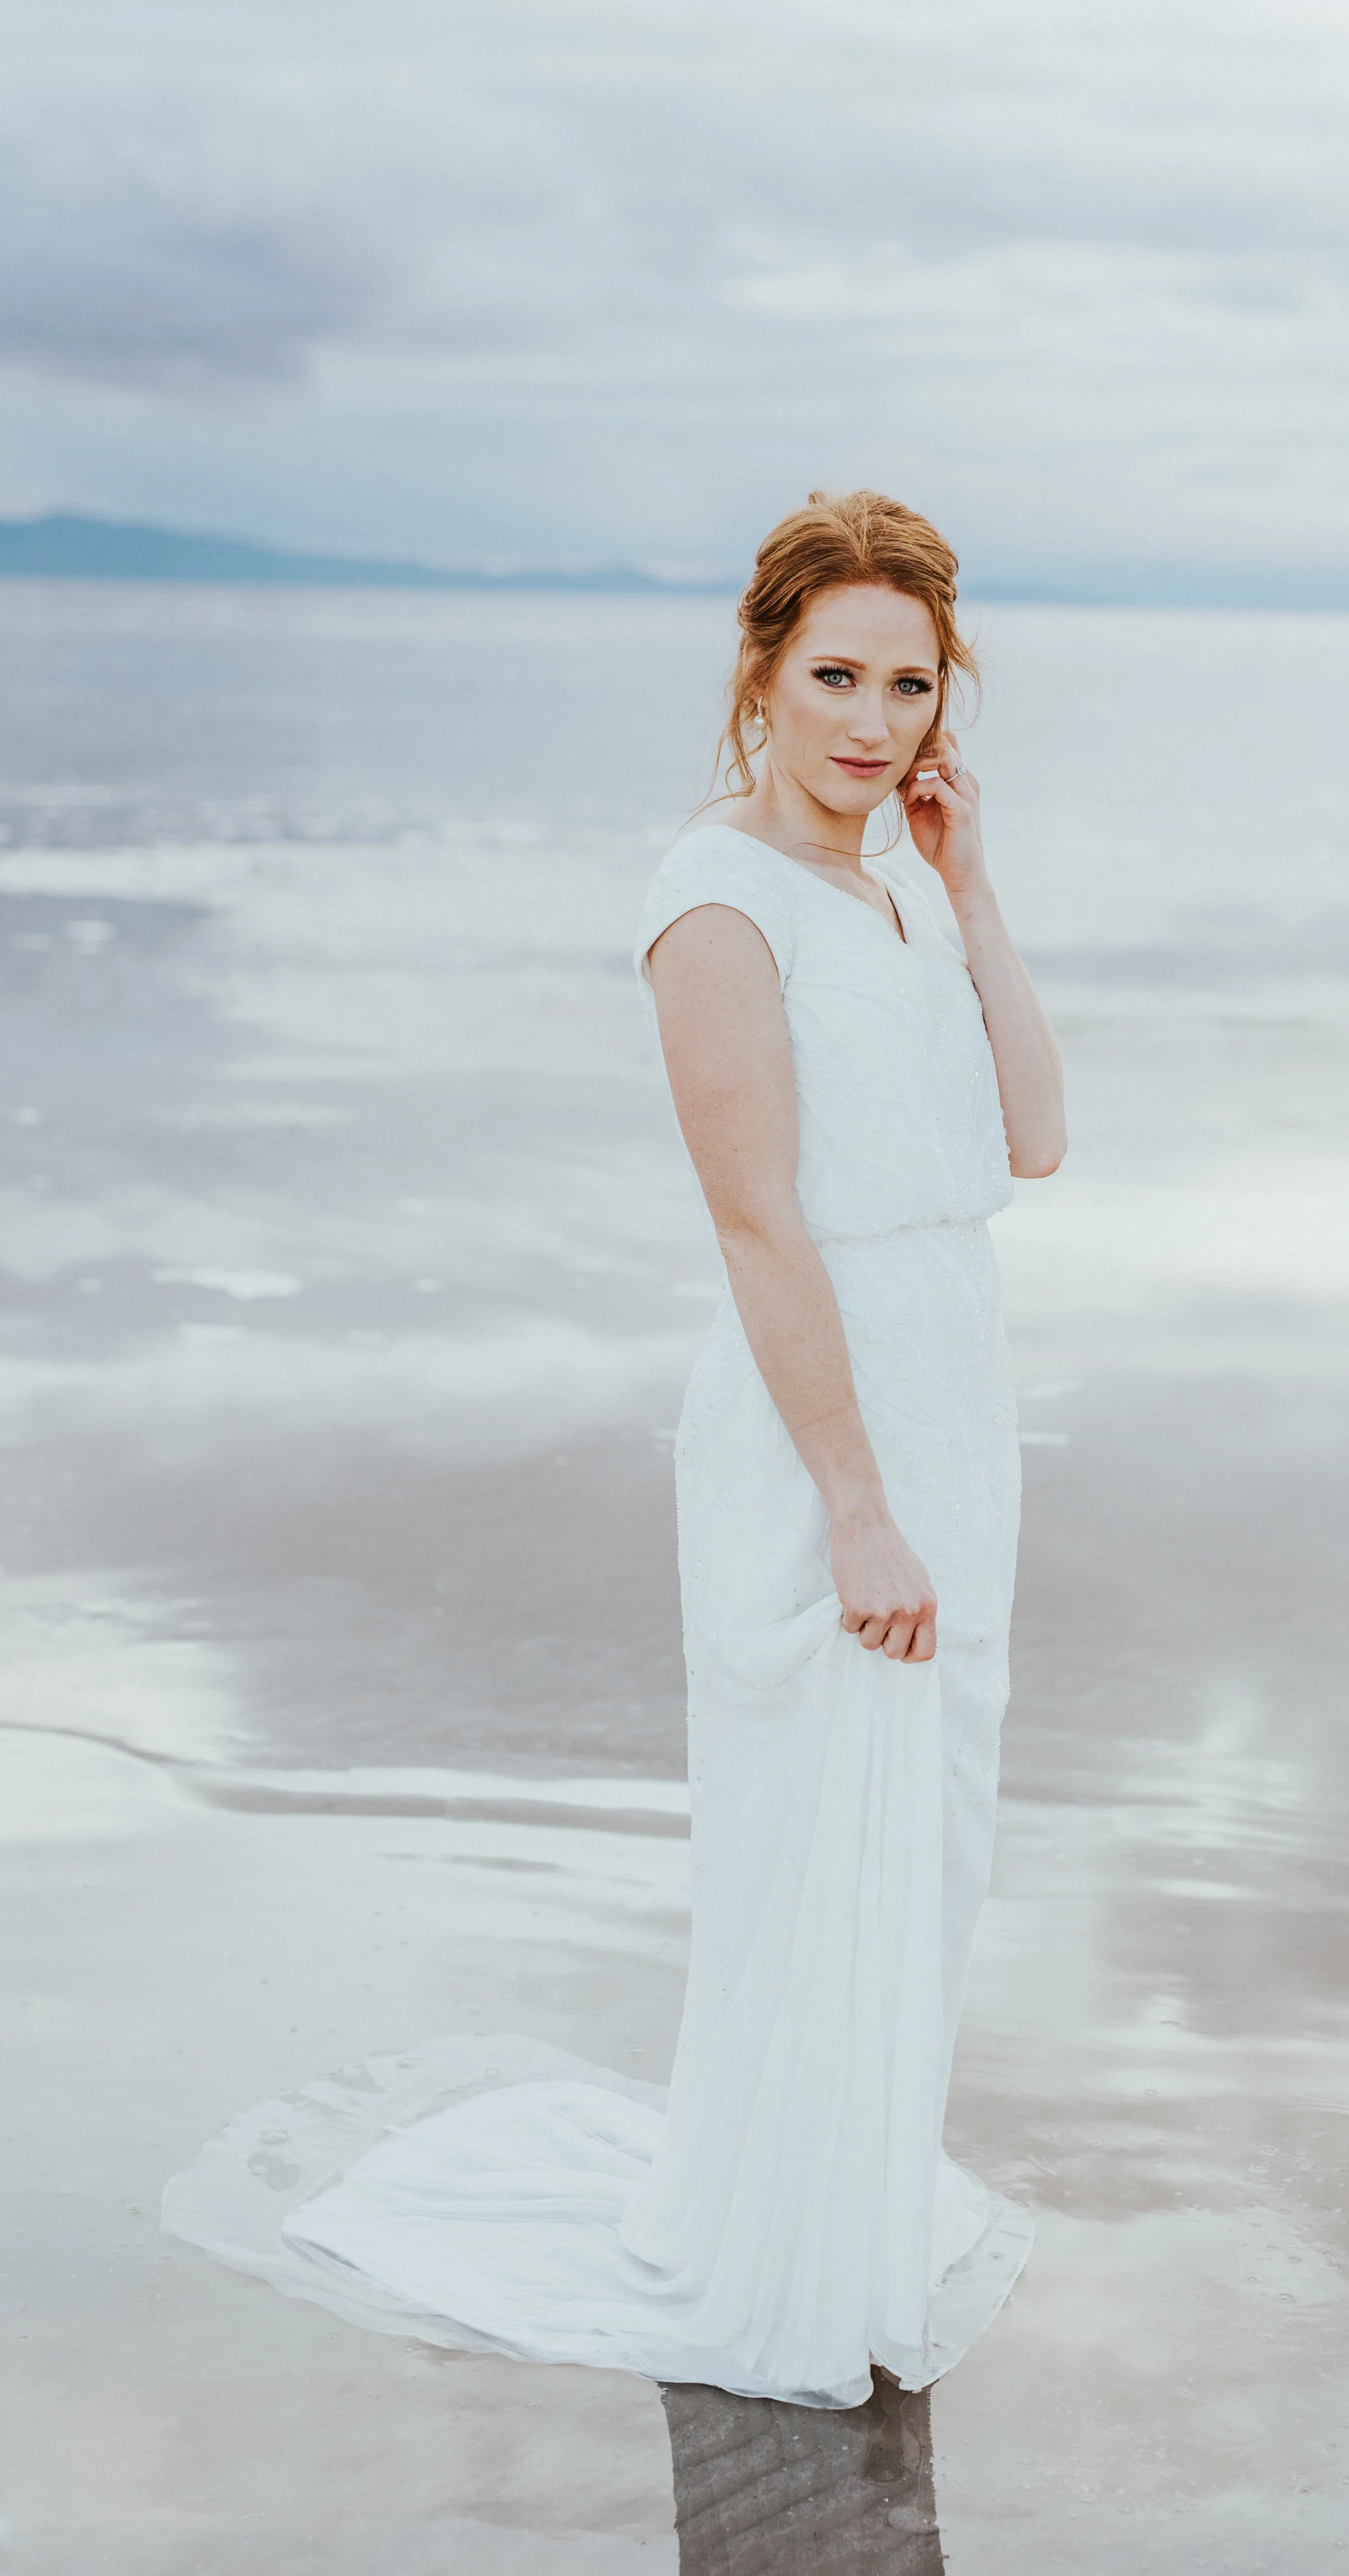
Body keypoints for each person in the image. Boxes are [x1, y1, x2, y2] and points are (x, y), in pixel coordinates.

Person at [162, 488, 1066, 2412]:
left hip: (950, 1389)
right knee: (814, 1835)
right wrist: (855, 1509)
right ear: (759, 668)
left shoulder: (896, 882)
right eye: (835, 672)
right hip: (830, 1429)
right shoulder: (712, 901)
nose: (873, 717)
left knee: (923, 1847)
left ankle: (844, 2210)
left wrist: (972, 884)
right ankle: (776, 2253)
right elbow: (759, 1224)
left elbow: (1038, 1140)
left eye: (910, 682)